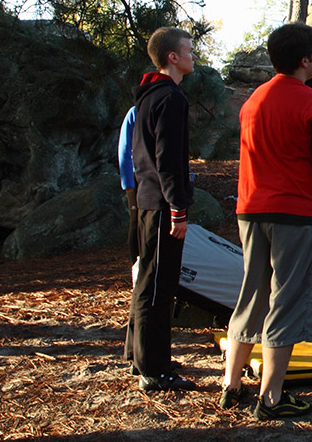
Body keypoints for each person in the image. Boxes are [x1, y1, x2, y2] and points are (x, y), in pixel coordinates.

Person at [220, 23, 312, 420]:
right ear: (305, 60)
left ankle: (231, 386)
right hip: (296, 214)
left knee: (252, 293)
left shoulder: (253, 100)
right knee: (288, 299)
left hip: (251, 210)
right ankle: (272, 398)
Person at [125, 27, 198, 392]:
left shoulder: (149, 96)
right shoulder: (169, 98)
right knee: (157, 286)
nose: (193, 55)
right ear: (173, 57)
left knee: (148, 281)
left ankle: (139, 355)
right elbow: (167, 160)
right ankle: (153, 368)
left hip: (147, 200)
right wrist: (178, 209)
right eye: (188, 49)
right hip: (161, 204)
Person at [117, 106, 139, 265]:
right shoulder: (134, 112)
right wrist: (128, 183)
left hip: (157, 178)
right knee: (136, 221)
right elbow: (124, 148)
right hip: (136, 176)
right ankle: (136, 264)